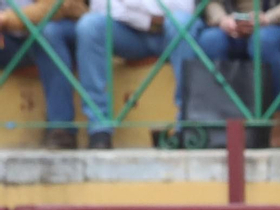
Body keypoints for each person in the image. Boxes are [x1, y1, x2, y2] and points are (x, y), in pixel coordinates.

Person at [73, 0, 200, 149]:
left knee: (181, 22)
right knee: (89, 26)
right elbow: (102, 7)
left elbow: (183, 7)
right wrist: (148, 19)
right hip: (128, 34)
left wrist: (130, 5)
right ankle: (99, 128)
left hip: (172, 33)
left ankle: (185, 124)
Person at [193, 0, 280, 147]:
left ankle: (279, 122)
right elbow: (210, 3)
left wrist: (267, 18)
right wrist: (224, 20)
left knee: (262, 41)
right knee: (211, 41)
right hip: (235, 28)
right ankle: (222, 124)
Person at [0, 0, 84, 148]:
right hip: (10, 39)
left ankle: (61, 128)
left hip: (57, 30)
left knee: (47, 33)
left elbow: (58, 6)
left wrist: (6, 19)